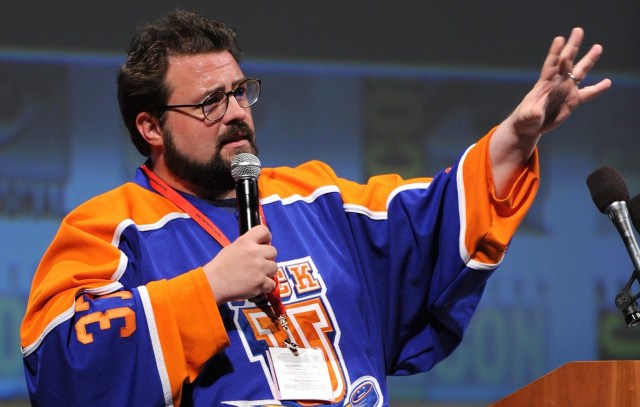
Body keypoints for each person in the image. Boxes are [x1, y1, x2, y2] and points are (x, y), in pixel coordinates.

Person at [20, 9, 611, 407]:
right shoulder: (109, 228)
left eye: (239, 92)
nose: (236, 113)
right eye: (209, 103)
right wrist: (207, 289)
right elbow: (62, 365)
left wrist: (515, 137)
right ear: (151, 126)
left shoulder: (317, 198)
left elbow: (429, 218)